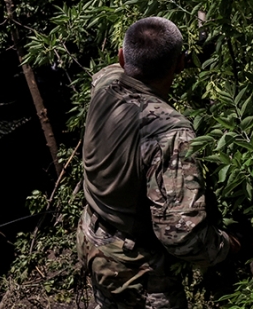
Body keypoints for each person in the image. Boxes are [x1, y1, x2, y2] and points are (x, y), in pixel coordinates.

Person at [76, 17, 239, 309]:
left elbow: (122, 66)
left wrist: (178, 60)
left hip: (95, 238)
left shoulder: (105, 84)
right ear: (177, 66)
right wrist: (228, 245)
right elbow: (180, 235)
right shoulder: (170, 131)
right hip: (138, 270)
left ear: (122, 57)